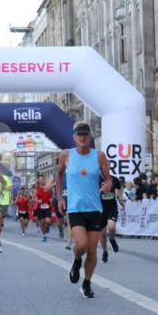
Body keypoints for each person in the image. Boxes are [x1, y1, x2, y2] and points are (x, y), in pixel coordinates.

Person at [56, 121, 112, 298]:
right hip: (75, 208)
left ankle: (86, 283)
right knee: (81, 245)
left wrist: (108, 185)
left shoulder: (99, 156)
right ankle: (77, 260)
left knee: (93, 250)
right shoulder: (66, 155)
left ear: (90, 136)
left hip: (94, 209)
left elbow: (108, 178)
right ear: (74, 137)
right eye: (79, 134)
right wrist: (60, 198)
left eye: (85, 134)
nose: (82, 137)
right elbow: (58, 175)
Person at [99, 172, 124, 263]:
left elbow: (119, 187)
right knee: (102, 233)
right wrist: (101, 190)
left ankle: (112, 239)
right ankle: (105, 252)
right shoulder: (95, 179)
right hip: (100, 209)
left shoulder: (114, 179)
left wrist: (120, 197)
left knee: (111, 227)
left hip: (112, 208)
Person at [34, 176, 54, 242]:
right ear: (38, 180)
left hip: (47, 206)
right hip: (40, 207)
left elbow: (52, 194)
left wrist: (51, 199)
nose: (42, 180)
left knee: (48, 221)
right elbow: (33, 198)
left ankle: (47, 227)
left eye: (43, 179)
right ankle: (44, 235)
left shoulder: (48, 187)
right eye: (40, 179)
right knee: (42, 222)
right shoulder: (36, 189)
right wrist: (37, 200)